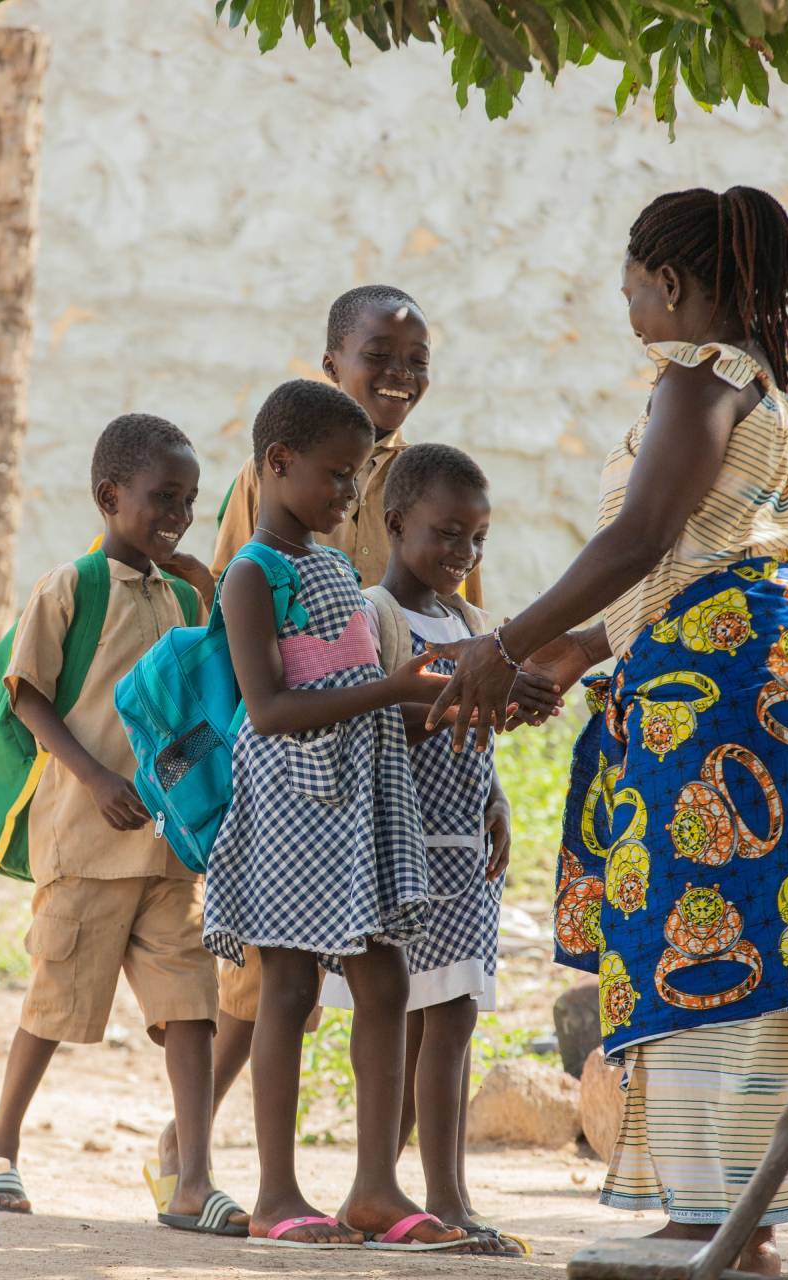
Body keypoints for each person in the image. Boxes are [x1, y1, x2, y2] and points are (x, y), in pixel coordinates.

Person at [424, 187, 788, 1274]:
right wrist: (556, 662)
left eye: (629, 286)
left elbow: (640, 539)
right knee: (767, 929)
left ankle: (722, 1217)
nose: (626, 309)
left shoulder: (703, 378)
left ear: (668, 279)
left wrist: (502, 641)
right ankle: (725, 1210)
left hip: (723, 704)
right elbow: (691, 565)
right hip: (783, 674)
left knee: (702, 927)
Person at [164, 285, 486, 1194]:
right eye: (378, 357)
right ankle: (216, 1169)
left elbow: (440, 631)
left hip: (375, 781)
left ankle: (376, 1188)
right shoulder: (270, 554)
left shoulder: (361, 530)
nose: (350, 495)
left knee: (384, 984)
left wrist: (467, 690)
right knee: (277, 992)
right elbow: (263, 681)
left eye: (415, 361)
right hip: (300, 788)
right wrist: (395, 688)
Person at [0, 414, 249, 1237]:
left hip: (169, 853)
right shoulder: (72, 588)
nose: (179, 514)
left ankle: (192, 1178)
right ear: (109, 496)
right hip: (89, 846)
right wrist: (94, 778)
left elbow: (194, 711)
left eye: (190, 501)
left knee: (191, 1007)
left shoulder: (183, 597)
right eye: (162, 497)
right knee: (56, 998)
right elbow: (28, 693)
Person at [319, 442, 525, 1255]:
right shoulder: (374, 614)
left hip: (465, 852)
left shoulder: (473, 623)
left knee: (454, 1020)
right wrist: (450, 694)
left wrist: (499, 798)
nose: (463, 555)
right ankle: (431, 1197)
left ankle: (436, 1194)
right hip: (402, 853)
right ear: (395, 522)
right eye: (446, 534)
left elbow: (479, 733)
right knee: (418, 1024)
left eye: (477, 539)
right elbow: (370, 717)